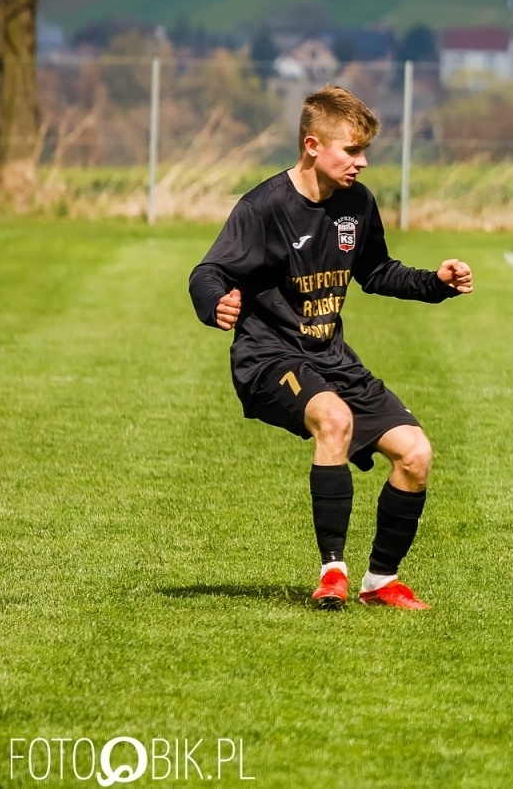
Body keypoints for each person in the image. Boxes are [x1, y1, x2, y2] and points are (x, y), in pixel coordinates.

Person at [188, 85, 472, 611]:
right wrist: (215, 304)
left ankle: (379, 582)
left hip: (329, 355)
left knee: (416, 455)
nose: (361, 163)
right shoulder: (265, 206)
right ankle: (332, 574)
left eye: (366, 152)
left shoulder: (356, 203)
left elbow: (377, 271)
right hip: (267, 357)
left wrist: (435, 282)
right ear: (313, 145)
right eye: (352, 150)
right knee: (334, 421)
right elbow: (210, 270)